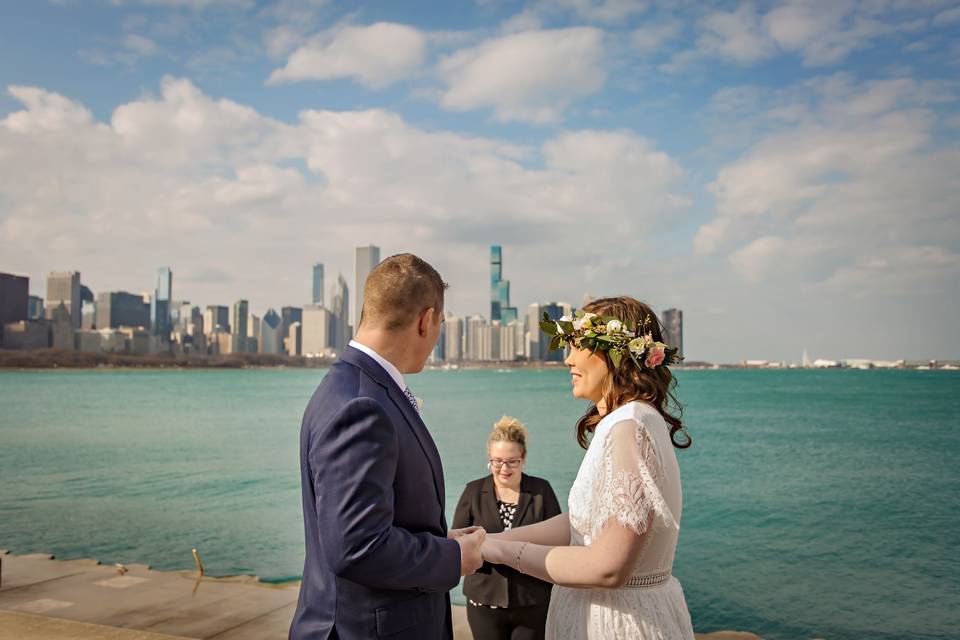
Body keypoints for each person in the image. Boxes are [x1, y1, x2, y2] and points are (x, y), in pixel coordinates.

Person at [289, 253, 486, 640]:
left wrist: (436, 541)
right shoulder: (362, 405)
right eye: (440, 324)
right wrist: (454, 558)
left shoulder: (355, 387)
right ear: (425, 320)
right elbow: (358, 545)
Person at [479, 296, 695, 639]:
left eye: (577, 346)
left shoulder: (630, 426)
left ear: (614, 351)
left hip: (617, 624)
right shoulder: (632, 420)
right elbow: (584, 524)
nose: (567, 359)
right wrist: (488, 539)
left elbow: (609, 568)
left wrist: (502, 552)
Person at [453, 416, 562, 640]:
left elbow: (557, 542)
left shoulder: (542, 490)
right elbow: (457, 544)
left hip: (533, 601)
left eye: (512, 461)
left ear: (523, 458)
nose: (504, 468)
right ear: (489, 459)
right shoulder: (472, 491)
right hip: (483, 602)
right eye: (497, 461)